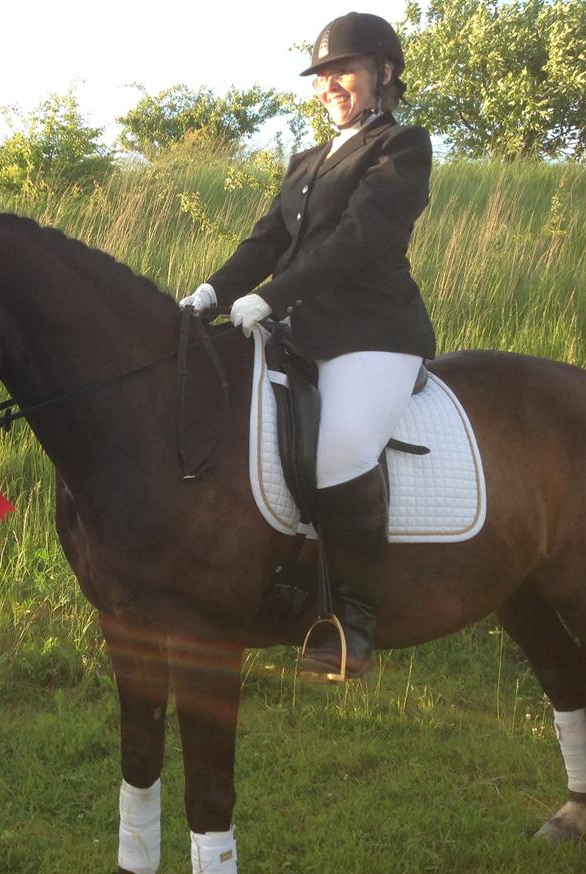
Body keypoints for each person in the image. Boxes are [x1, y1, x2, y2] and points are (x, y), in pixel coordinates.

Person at [180, 11, 436, 680]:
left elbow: (358, 241)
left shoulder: (402, 148)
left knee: (342, 448)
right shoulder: (307, 159)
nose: (330, 85)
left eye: (342, 71)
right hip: (300, 330)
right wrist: (212, 291)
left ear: (383, 73)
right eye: (323, 76)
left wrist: (272, 297)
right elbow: (266, 241)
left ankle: (353, 625)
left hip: (374, 332)